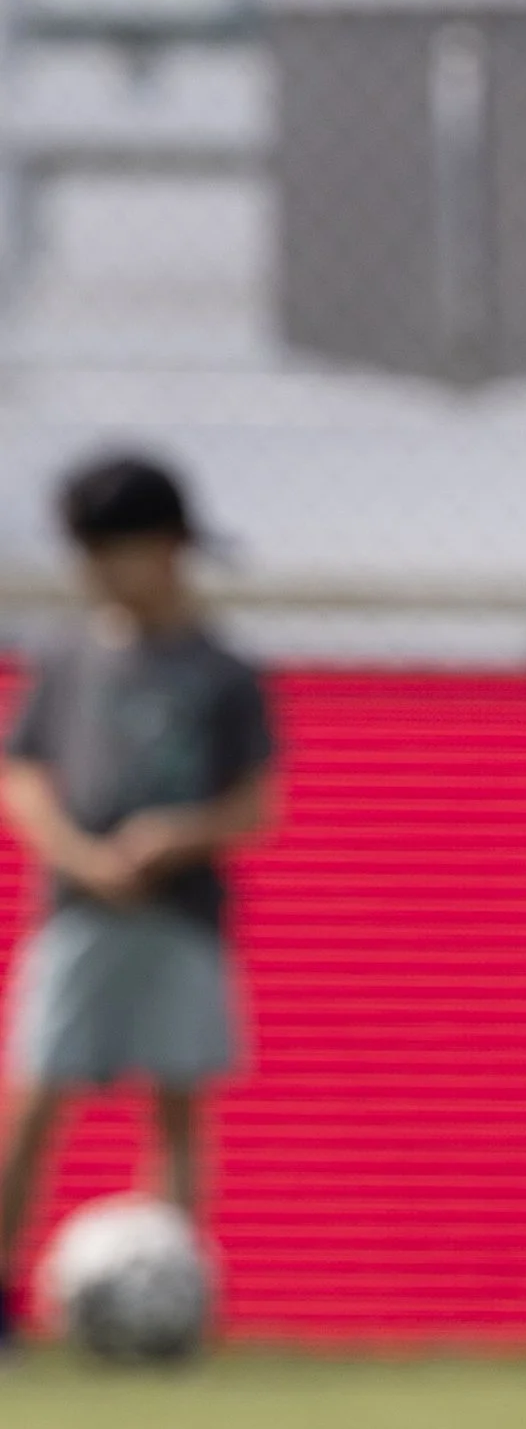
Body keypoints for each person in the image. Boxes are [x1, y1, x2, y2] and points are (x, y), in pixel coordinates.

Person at [0, 453, 278, 1343]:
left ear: (164, 550)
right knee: (37, 1091)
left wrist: (174, 836)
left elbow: (256, 803)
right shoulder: (72, 657)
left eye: (108, 551)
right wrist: (78, 854)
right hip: (77, 913)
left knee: (179, 1101)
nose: (93, 574)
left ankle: (172, 1293)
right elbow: (24, 775)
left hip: (180, 915)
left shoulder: (220, 671)